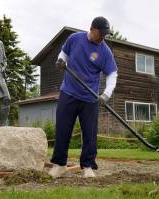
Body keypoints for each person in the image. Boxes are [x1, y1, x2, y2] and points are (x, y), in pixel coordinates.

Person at [49, 16, 118, 178]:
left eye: (105, 34)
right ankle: (60, 165)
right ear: (92, 29)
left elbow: (112, 74)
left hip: (90, 98)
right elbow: (63, 54)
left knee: (90, 133)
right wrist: (60, 61)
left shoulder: (105, 52)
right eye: (101, 33)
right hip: (68, 92)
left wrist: (106, 94)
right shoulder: (75, 39)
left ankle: (87, 166)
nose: (103, 37)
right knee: (62, 130)